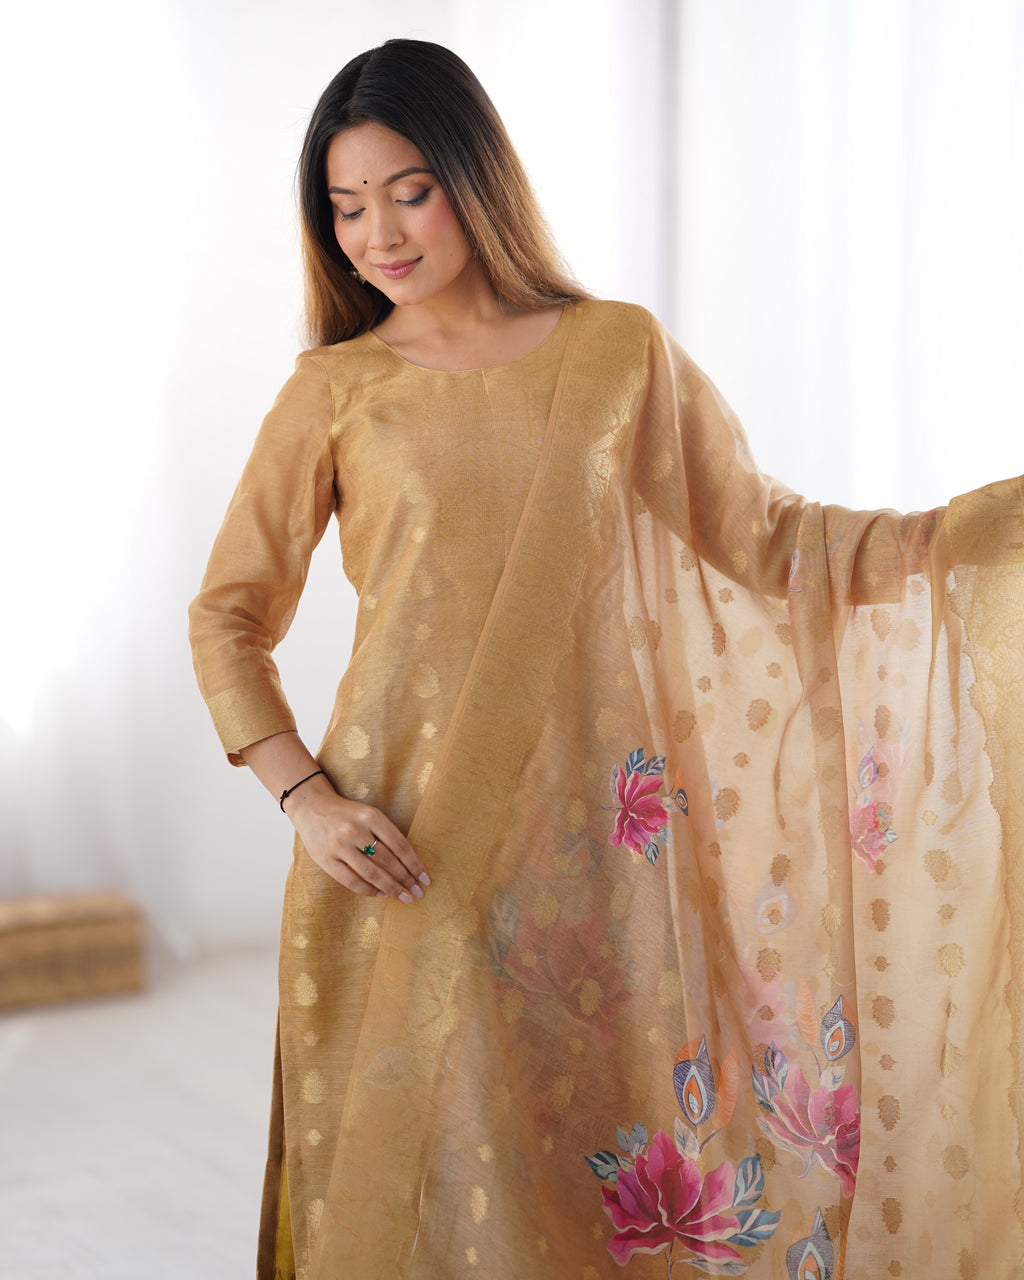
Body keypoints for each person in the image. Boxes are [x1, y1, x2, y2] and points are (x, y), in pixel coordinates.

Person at [189, 37, 1024, 1280]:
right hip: (397, 840)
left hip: (588, 848)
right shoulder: (336, 390)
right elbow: (227, 613)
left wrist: (966, 531)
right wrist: (305, 797)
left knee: (586, 1144)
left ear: (475, 176)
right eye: (344, 206)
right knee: (424, 1167)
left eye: (406, 189)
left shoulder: (613, 355)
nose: (377, 233)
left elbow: (769, 538)